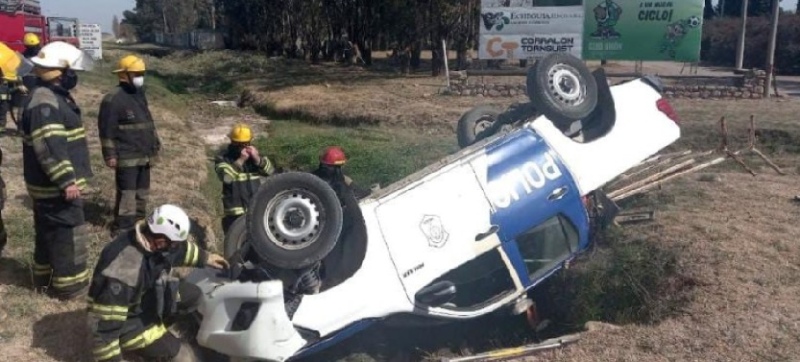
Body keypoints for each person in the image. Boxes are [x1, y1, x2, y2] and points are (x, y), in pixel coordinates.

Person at [87, 204, 229, 362]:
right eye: (174, 243)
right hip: (128, 322)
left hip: (143, 300)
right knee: (185, 358)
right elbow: (104, 329)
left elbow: (179, 251)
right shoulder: (124, 269)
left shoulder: (153, 241)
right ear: (161, 241)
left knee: (191, 295)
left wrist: (206, 258)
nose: (176, 247)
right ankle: (138, 343)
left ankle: (158, 331)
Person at [20, 41, 94, 300]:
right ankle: (71, 287)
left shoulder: (48, 96)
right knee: (67, 234)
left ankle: (44, 279)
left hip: (47, 185)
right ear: (59, 72)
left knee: (47, 232)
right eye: (72, 71)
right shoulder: (45, 103)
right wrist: (66, 181)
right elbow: (49, 147)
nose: (75, 77)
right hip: (55, 187)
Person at [98, 55, 162, 236]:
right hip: (126, 156)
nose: (140, 77)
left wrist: (155, 146)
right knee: (127, 194)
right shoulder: (113, 99)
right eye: (137, 73)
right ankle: (123, 227)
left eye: (142, 73)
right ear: (124, 75)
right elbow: (106, 130)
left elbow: (148, 123)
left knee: (142, 192)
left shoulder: (139, 95)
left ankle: (139, 223)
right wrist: (110, 154)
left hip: (144, 154)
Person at [213, 123, 275, 236]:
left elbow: (270, 172)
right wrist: (240, 160)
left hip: (255, 209)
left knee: (258, 241)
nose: (243, 147)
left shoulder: (254, 157)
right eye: (239, 144)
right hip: (234, 213)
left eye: (246, 144)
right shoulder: (223, 157)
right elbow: (226, 178)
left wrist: (257, 160)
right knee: (236, 242)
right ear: (232, 142)